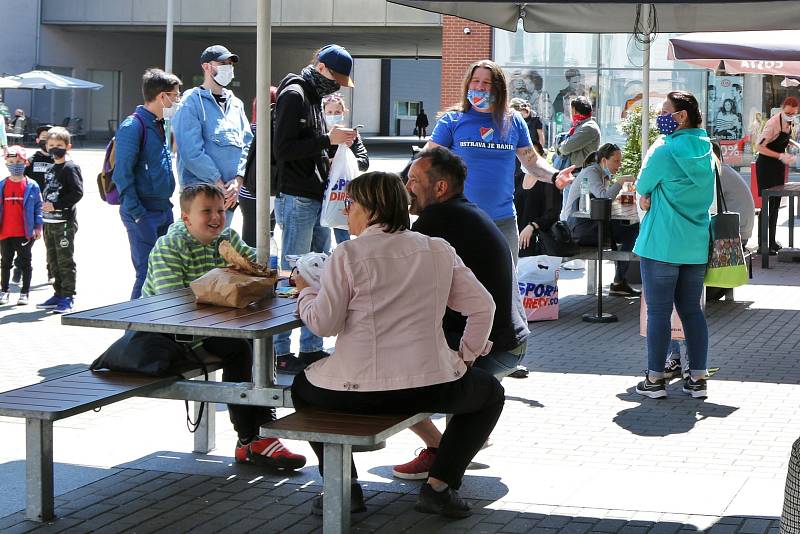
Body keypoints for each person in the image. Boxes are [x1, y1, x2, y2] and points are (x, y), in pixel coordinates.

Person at [291, 171, 502, 518]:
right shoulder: (437, 249)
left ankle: (344, 487)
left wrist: (306, 293)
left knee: (301, 387)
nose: (347, 212)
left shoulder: (347, 254)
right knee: (489, 394)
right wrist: (465, 357)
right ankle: (440, 486)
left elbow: (323, 324)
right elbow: (484, 306)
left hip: (352, 391)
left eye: (351, 204)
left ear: (373, 208)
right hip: (430, 386)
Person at [142, 184, 306, 470]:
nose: (217, 217)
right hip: (169, 335)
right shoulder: (170, 247)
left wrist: (284, 270)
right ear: (186, 218)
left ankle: (262, 434)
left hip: (213, 325)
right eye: (207, 211)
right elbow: (174, 306)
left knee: (259, 342)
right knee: (240, 349)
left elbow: (256, 266)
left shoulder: (227, 238)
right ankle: (251, 439)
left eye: (221, 210)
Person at [394, 146, 529, 481]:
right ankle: (452, 444)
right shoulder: (462, 212)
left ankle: (442, 448)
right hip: (508, 342)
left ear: (439, 188)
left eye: (413, 180)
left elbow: (394, 278)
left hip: (490, 347)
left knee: (384, 375)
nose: (406, 186)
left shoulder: (438, 220)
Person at [425, 59, 574, 264]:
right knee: (458, 288)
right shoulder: (452, 121)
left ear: (499, 87)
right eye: (475, 81)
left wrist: (555, 175)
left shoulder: (513, 121)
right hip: (458, 219)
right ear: (467, 84)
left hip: (502, 221)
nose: (479, 87)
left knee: (506, 287)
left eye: (486, 83)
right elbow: (426, 164)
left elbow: (531, 162)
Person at [273, 43, 358, 373]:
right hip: (297, 197)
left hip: (315, 198)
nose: (337, 86)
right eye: (335, 78)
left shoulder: (312, 97)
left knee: (317, 272)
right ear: (321, 68)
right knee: (294, 273)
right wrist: (328, 141)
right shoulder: (294, 94)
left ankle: (310, 346)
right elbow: (284, 149)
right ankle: (280, 349)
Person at [634, 91, 714, 400]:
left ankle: (655, 380)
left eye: (664, 111)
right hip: (695, 245)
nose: (660, 116)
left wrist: (648, 192)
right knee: (692, 312)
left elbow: (642, 185)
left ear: (680, 116)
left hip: (662, 245)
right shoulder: (708, 150)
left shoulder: (664, 150)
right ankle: (698, 379)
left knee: (659, 313)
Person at [113, 68, 182, 299]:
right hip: (143, 212)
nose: (178, 100)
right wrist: (137, 213)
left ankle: (156, 329)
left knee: (165, 272)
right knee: (146, 273)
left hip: (162, 209)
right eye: (175, 95)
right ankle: (133, 333)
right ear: (162, 96)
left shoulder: (158, 123)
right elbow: (122, 175)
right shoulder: (133, 126)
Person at [172, 45, 252, 227]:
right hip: (201, 195)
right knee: (198, 250)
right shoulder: (191, 102)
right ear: (206, 67)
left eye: (230, 63)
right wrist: (218, 182)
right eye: (222, 63)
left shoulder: (236, 104)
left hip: (229, 196)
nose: (228, 67)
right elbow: (191, 152)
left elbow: (247, 144)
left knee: (221, 249)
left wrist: (238, 180)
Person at [563, 143, 639, 296]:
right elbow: (604, 198)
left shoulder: (601, 174)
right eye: (616, 161)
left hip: (591, 225)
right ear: (604, 160)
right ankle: (619, 281)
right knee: (632, 231)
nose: (619, 165)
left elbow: (603, 202)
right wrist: (620, 182)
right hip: (579, 228)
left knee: (630, 229)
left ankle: (619, 280)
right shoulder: (591, 172)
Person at [36, 127, 83, 314]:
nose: (55, 148)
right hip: (49, 222)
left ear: (68, 146)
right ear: (46, 146)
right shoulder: (51, 167)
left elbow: (77, 193)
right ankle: (57, 292)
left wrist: (57, 206)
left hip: (64, 223)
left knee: (65, 260)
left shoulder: (70, 168)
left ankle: (68, 296)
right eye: (52, 145)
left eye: (60, 145)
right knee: (52, 260)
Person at [322, 92, 369, 244]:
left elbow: (364, 162)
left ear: (343, 113)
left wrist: (350, 149)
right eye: (329, 112)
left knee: (342, 232)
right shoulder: (321, 136)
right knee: (321, 231)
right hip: (322, 193)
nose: (333, 115)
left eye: (337, 112)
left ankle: (345, 256)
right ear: (323, 113)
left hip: (342, 193)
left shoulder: (351, 135)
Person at [755, 96, 798, 254]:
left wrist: (795, 144)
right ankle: (762, 245)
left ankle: (771, 241)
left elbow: (783, 139)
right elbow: (759, 147)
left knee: (776, 205)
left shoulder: (789, 122)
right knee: (767, 205)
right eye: (788, 113)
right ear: (782, 108)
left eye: (793, 114)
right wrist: (780, 156)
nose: (790, 116)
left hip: (778, 166)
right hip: (766, 166)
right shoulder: (773, 123)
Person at [0, 146, 42, 306]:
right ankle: (4, 291)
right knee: (5, 262)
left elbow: (38, 207)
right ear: (6, 163)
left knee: (25, 262)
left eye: (18, 162)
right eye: (11, 162)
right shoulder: (2, 185)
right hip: (5, 232)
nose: (14, 165)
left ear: (25, 163)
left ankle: (24, 292)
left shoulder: (32, 185)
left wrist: (38, 227)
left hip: (24, 232)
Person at [239, 86, 277, 248]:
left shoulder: (249, 129)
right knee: (267, 235)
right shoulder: (272, 130)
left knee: (250, 239)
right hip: (270, 191)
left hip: (248, 192)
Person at [19, 125, 53, 285]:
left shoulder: (59, 161)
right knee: (25, 240)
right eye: (43, 137)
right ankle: (18, 269)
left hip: (52, 208)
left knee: (51, 242)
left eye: (50, 137)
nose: (46, 141)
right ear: (38, 140)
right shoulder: (31, 161)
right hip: (33, 208)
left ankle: (51, 271)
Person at [712, 140, 754, 246]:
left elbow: (708, 204)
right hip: (742, 230)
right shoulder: (725, 169)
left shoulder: (719, 172)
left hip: (736, 235)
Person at [556, 96, 600, 175]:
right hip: (576, 172)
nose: (571, 114)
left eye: (572, 111)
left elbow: (566, 148)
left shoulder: (589, 127)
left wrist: (559, 147)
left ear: (576, 112)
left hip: (581, 173)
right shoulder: (580, 125)